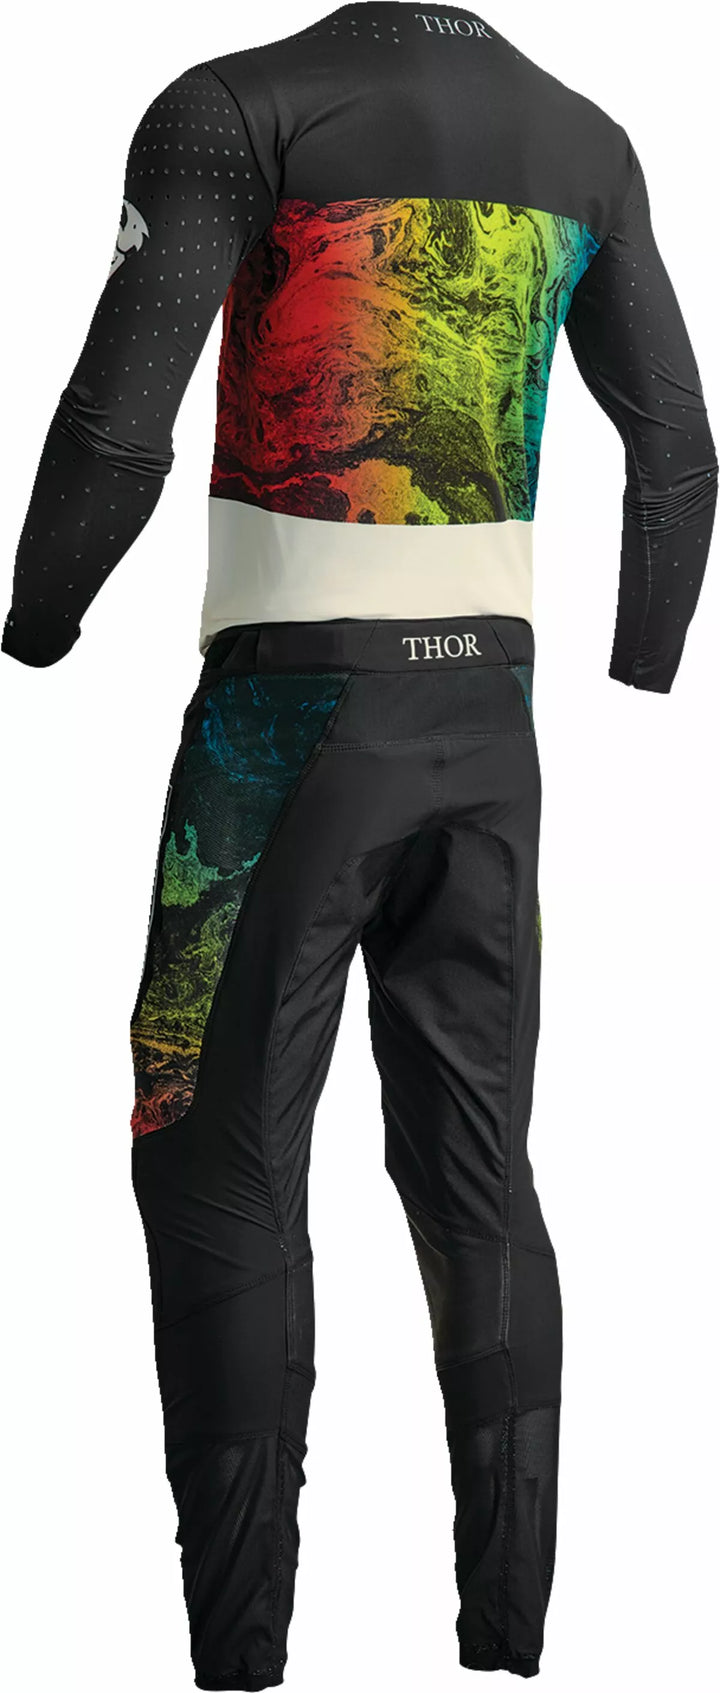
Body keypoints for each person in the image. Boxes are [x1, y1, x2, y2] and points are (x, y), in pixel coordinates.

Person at [3, 5, 716, 1684]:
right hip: (492, 736)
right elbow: (679, 453)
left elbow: (117, 423)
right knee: (477, 1168)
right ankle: (509, 1642)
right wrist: (642, 658)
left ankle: (241, 1656)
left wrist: (35, 620)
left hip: (283, 723)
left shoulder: (233, 109)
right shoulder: (585, 139)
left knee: (209, 1147)